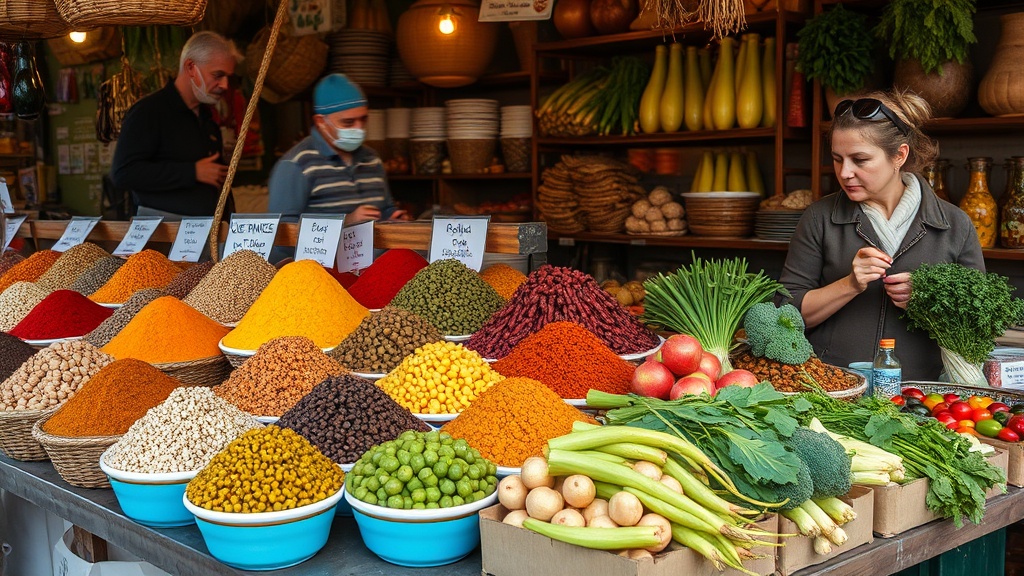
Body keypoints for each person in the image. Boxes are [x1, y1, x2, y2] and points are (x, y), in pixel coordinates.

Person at [779, 90, 984, 381]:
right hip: (834, 387)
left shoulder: (954, 225)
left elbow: (979, 328)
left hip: (924, 393)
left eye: (860, 160)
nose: (845, 172)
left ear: (899, 155)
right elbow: (784, 317)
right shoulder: (819, 218)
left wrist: (927, 298)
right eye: (838, 159)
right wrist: (849, 284)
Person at [110, 31, 241, 219]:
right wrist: (191, 172)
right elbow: (123, 173)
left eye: (228, 77)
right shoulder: (149, 111)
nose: (225, 85)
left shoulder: (206, 117)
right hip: (164, 235)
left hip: (208, 232)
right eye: (218, 75)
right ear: (190, 67)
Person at [267, 73, 408, 224]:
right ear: (321, 121)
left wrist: (393, 217)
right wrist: (346, 221)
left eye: (363, 119)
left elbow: (385, 208)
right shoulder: (296, 164)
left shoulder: (372, 158)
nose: (359, 128)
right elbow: (282, 232)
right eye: (348, 122)